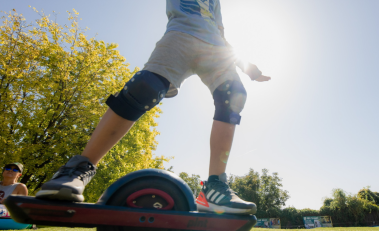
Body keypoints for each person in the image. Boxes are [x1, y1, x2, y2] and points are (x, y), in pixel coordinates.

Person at [35, 0, 270, 215]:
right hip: (181, 35)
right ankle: (77, 170)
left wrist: (249, 68)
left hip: (217, 51)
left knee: (234, 95)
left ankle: (215, 187)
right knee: (145, 87)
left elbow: (222, 34)